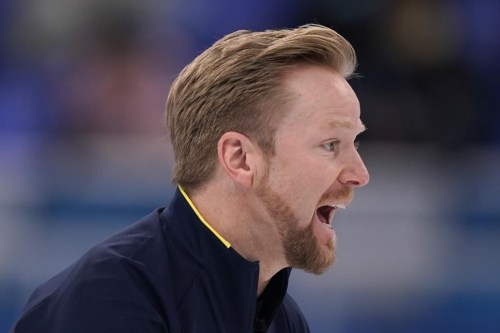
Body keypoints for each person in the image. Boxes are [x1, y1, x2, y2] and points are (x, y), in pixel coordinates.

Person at [11, 24, 369, 333]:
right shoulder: (107, 302)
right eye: (329, 144)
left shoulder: (282, 318)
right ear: (239, 159)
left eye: (354, 142)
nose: (359, 174)